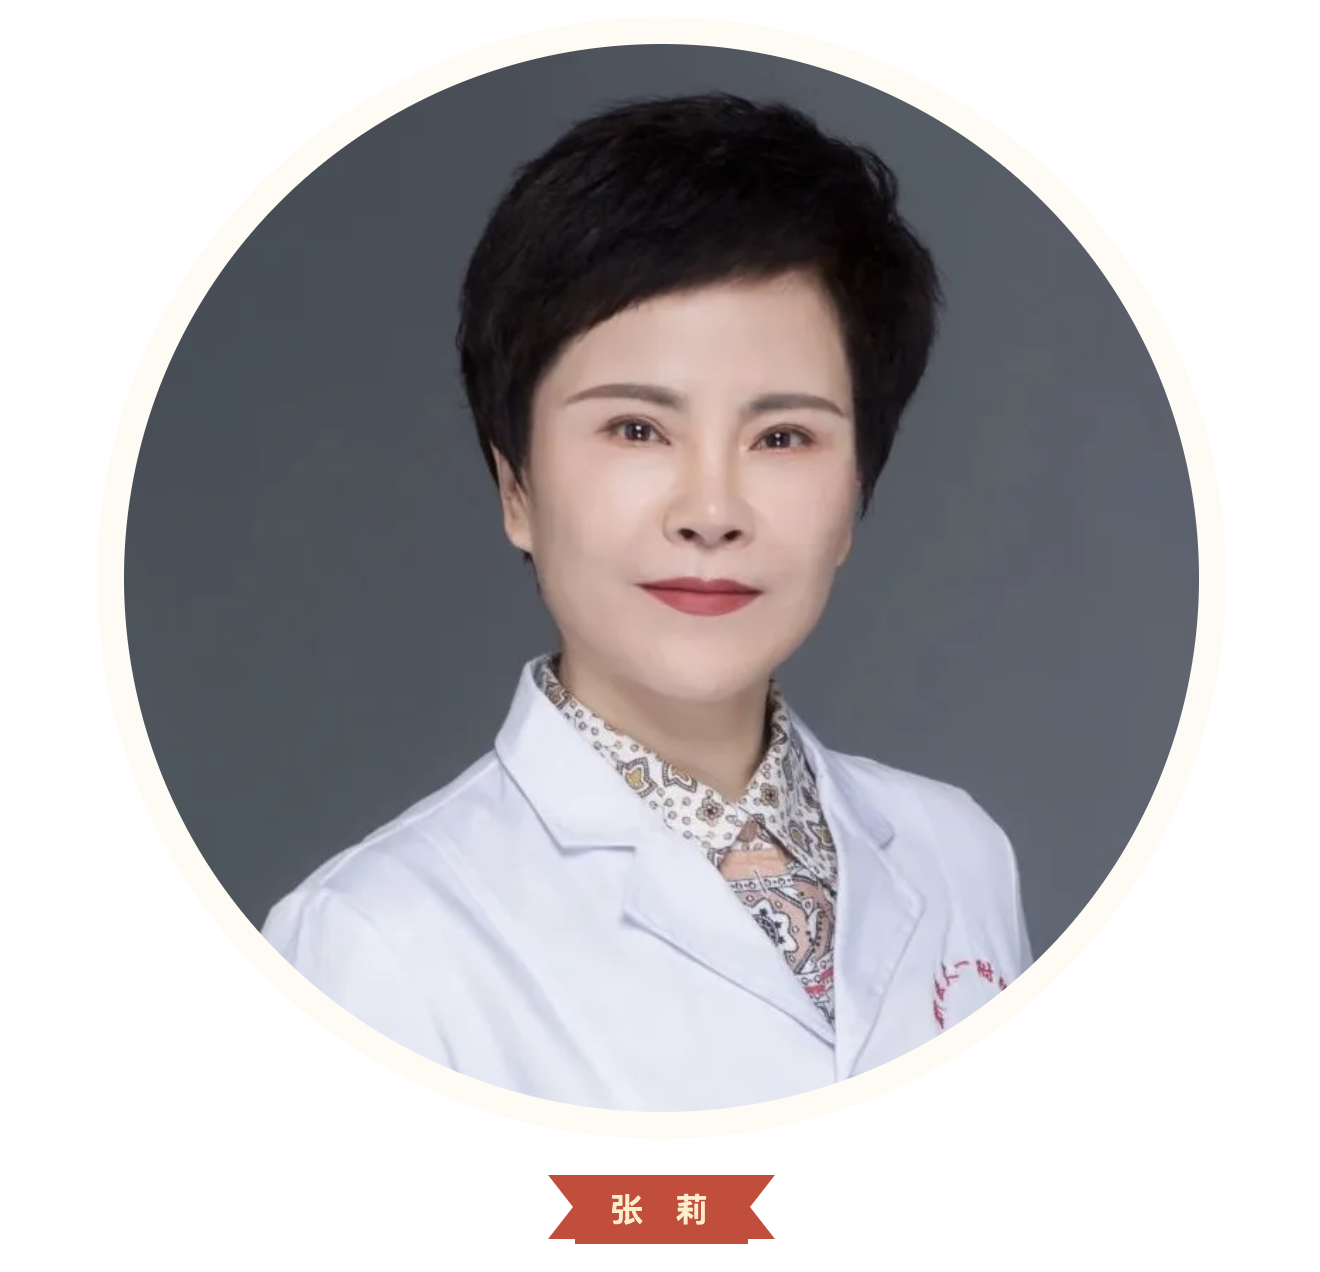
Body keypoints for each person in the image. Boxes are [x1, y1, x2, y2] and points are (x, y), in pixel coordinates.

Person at [263, 93, 1032, 1111]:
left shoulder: (958, 853)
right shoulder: (373, 943)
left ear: (854, 496)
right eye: (636, 430)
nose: (711, 512)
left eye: (783, 438)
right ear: (515, 487)